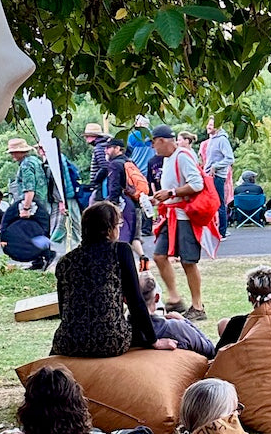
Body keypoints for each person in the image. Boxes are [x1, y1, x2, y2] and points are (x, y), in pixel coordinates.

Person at [51, 201, 170, 358]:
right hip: (110, 342)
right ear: (109, 229)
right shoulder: (120, 250)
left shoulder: (65, 261)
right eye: (118, 225)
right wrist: (153, 340)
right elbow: (135, 300)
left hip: (69, 342)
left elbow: (64, 309)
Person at [152, 124, 208, 320]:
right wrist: (160, 197)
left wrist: (171, 193)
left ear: (162, 141)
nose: (153, 148)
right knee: (159, 255)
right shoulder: (168, 159)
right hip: (171, 214)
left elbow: (197, 184)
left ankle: (198, 306)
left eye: (154, 143)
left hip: (184, 216)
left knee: (188, 261)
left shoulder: (182, 156)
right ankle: (175, 299)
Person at [139, 271, 216, 357]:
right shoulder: (176, 328)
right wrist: (185, 321)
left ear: (125, 300)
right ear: (156, 297)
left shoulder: (126, 332)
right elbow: (210, 351)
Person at [202, 118, 234, 239]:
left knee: (219, 204)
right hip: (208, 175)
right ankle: (211, 229)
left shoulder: (222, 140)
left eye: (211, 125)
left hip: (217, 177)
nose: (208, 127)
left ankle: (222, 232)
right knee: (208, 203)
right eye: (208, 124)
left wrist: (216, 166)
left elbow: (230, 158)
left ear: (218, 127)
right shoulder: (211, 140)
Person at [7, 137, 47, 216]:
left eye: (13, 152)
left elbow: (29, 189)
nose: (12, 155)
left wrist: (26, 208)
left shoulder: (26, 165)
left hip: (34, 205)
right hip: (43, 202)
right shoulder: (34, 160)